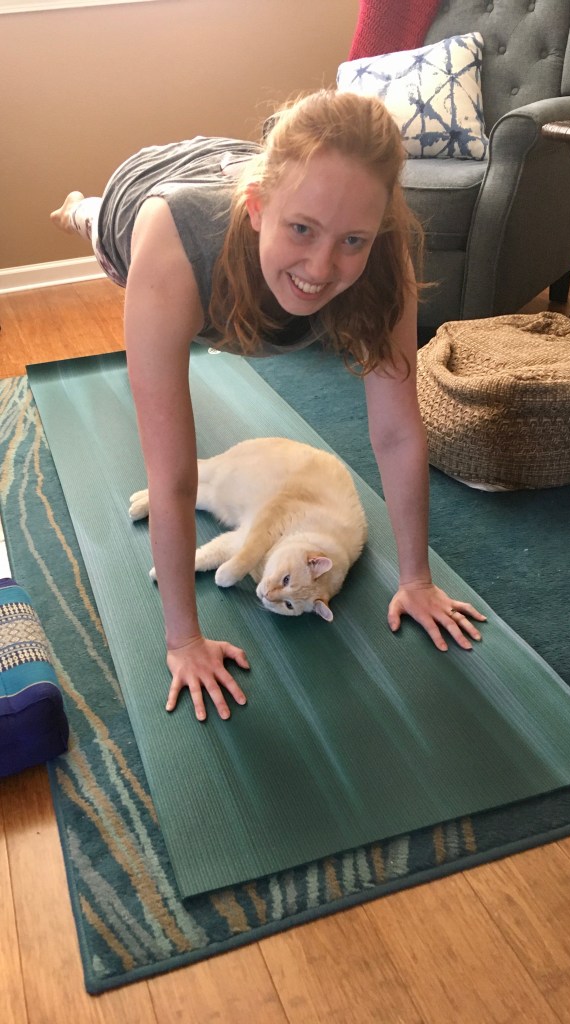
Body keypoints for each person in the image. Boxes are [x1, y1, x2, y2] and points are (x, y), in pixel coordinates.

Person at [51, 89, 486, 723]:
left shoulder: (380, 252)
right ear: (258, 209)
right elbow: (172, 476)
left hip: (240, 172)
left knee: (324, 235)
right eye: (301, 229)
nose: (321, 266)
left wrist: (416, 578)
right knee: (96, 230)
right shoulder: (172, 253)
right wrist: (183, 641)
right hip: (143, 202)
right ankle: (80, 210)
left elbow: (396, 432)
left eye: (353, 240)